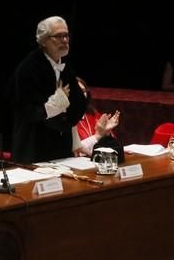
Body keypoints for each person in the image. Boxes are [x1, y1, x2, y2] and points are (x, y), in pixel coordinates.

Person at [7, 16, 87, 163]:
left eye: (66, 35)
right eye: (59, 36)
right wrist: (55, 105)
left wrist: (66, 117)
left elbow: (79, 103)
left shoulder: (66, 66)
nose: (65, 40)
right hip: (34, 147)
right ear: (43, 41)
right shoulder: (28, 68)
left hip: (62, 147)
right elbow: (27, 111)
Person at [75, 78, 120, 156]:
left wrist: (107, 133)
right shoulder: (63, 119)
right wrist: (98, 135)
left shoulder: (94, 115)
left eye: (83, 91)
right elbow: (75, 151)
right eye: (76, 91)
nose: (81, 95)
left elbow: (113, 148)